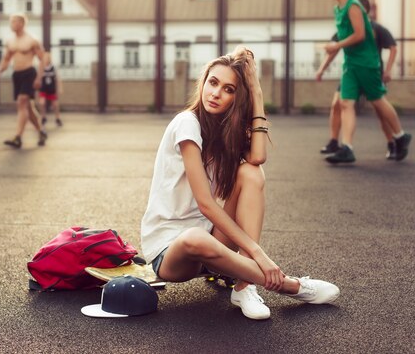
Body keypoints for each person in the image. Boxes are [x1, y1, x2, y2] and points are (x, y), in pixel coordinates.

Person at [140, 47, 340, 321]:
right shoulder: (186, 123)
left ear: (237, 97)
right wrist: (260, 256)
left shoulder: (225, 132)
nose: (216, 93)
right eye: (212, 83)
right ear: (204, 82)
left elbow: (257, 157)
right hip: (172, 253)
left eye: (228, 89)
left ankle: (244, 286)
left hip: (210, 243)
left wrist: (256, 92)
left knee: (252, 173)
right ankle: (291, 286)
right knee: (194, 237)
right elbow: (206, 204)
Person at [321, 0, 411, 164]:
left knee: (377, 101)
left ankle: (400, 136)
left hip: (367, 63)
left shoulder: (353, 6)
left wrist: (336, 46)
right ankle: (347, 148)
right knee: (345, 103)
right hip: (351, 64)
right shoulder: (338, 9)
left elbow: (360, 35)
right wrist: (327, 61)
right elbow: (344, 37)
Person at [0, 14, 47, 148]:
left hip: (29, 73)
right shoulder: (10, 41)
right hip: (17, 74)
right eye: (11, 22)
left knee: (21, 102)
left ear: (22, 24)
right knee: (27, 106)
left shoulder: (32, 40)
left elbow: (43, 59)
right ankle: (41, 131)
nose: (12, 24)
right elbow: (6, 60)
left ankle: (18, 137)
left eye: (15, 22)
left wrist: (39, 77)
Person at [38, 52, 63, 127]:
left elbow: (58, 79)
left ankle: (57, 118)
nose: (46, 59)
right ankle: (43, 117)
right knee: (42, 103)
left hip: (51, 89)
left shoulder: (53, 67)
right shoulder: (41, 67)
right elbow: (38, 78)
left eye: (47, 58)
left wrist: (60, 88)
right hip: (43, 88)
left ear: (49, 59)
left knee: (55, 104)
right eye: (44, 58)